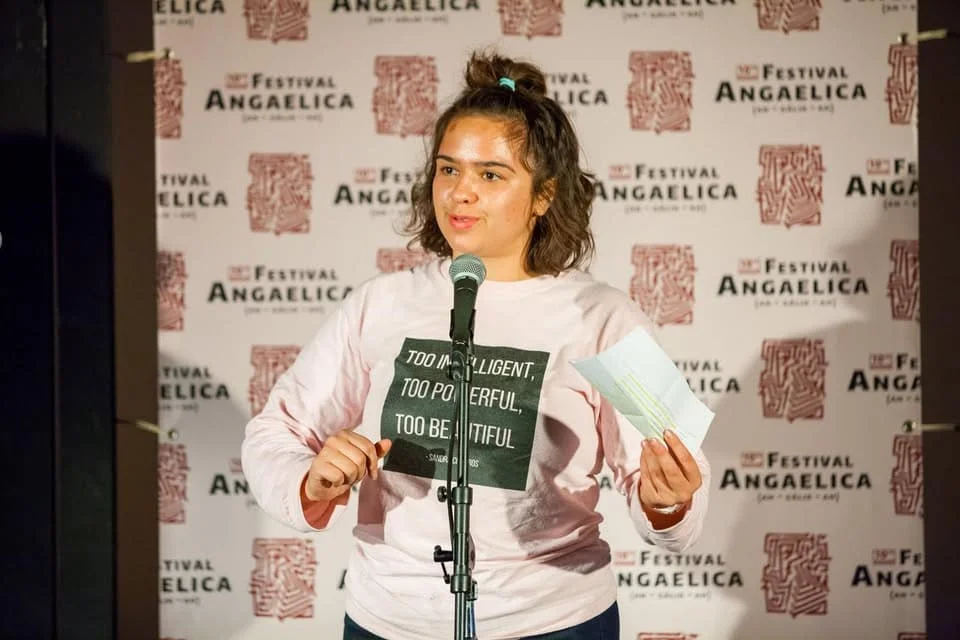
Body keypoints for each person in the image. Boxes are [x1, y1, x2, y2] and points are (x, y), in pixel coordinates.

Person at [241, 49, 711, 640]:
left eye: (491, 175)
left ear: (544, 195)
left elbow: (678, 480)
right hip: (389, 619)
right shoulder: (381, 304)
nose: (460, 193)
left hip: (552, 621)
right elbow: (274, 434)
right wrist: (309, 479)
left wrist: (668, 500)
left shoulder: (603, 317)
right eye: (448, 170)